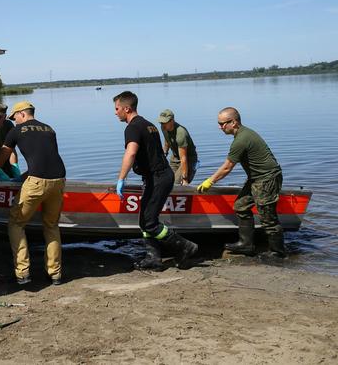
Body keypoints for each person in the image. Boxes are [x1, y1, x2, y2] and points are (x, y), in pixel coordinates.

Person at [114, 91, 198, 270]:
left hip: (158, 178)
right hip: (159, 176)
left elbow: (131, 152)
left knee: (150, 223)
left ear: (126, 108)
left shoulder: (133, 127)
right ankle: (153, 258)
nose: (115, 112)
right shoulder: (149, 125)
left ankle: (184, 246)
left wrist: (121, 178)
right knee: (145, 221)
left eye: (117, 108)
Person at [0, 101, 66, 286]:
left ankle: (23, 273)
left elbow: (3, 155)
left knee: (16, 223)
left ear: (23, 114)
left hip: (37, 183)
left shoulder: (16, 131)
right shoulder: (49, 129)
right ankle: (55, 274)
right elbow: (45, 160)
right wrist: (24, 176)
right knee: (51, 226)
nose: (14, 121)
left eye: (15, 117)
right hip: (59, 180)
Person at [197, 107, 286, 258]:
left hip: (267, 179)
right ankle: (246, 245)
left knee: (268, 218)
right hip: (256, 179)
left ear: (234, 122)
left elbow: (227, 168)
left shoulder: (241, 140)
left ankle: (278, 253)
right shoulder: (242, 135)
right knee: (241, 206)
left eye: (222, 123)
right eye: (219, 123)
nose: (220, 127)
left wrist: (209, 181)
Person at [158, 109, 198, 185]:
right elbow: (167, 139)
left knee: (175, 184)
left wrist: (185, 178)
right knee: (166, 181)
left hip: (188, 159)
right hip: (175, 158)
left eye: (165, 122)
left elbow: (184, 158)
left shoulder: (181, 133)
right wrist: (165, 152)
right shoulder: (164, 128)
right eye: (161, 122)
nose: (163, 125)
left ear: (172, 120)